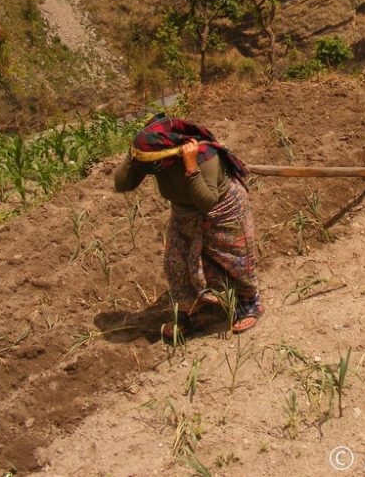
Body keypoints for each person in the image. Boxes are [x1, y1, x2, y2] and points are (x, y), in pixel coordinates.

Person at [113, 114, 263, 336]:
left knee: (234, 259)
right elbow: (122, 183)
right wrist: (134, 155)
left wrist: (191, 167)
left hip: (221, 209)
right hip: (184, 214)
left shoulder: (204, 155)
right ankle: (191, 314)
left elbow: (206, 201)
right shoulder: (156, 162)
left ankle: (250, 303)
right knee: (176, 261)